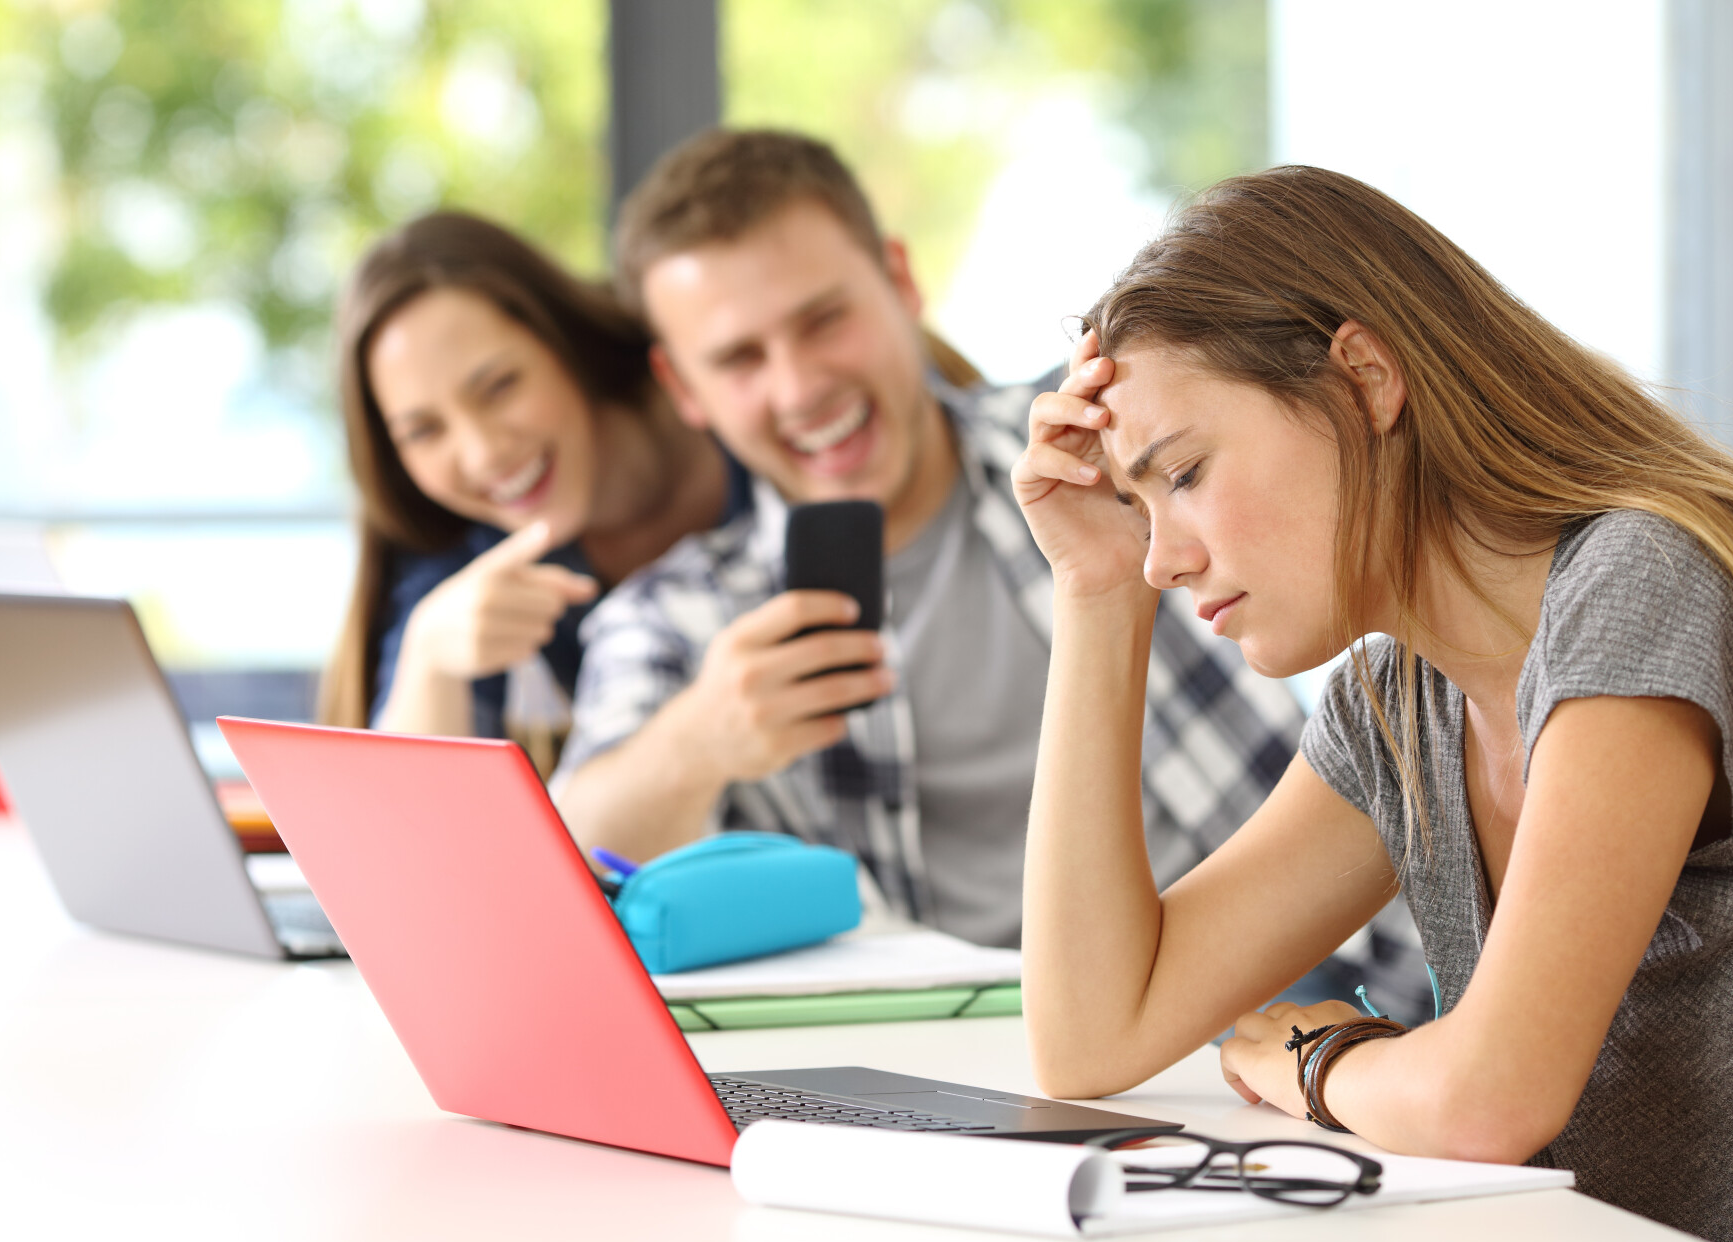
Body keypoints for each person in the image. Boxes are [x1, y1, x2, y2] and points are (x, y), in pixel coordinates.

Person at [1015, 165, 1733, 1242]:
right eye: (1139, 509)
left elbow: (1489, 1102)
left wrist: (1319, 1060)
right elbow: (1092, 1033)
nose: (1165, 556)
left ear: (1363, 378)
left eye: (1185, 475)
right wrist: (1095, 597)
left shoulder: (1642, 581)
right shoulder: (1396, 703)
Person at [549, 130, 1348, 968]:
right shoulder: (677, 617)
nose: (799, 385)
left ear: (899, 281)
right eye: (740, 357)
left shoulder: (1097, 442)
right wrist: (697, 742)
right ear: (684, 388)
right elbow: (559, 879)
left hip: (1292, 974)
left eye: (823, 320)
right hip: (964, 1051)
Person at [317, 211, 744, 762]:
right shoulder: (463, 547)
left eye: (498, 387)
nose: (482, 452)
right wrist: (430, 662)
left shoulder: (731, 406)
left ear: (564, 343)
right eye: (423, 431)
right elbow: (391, 834)